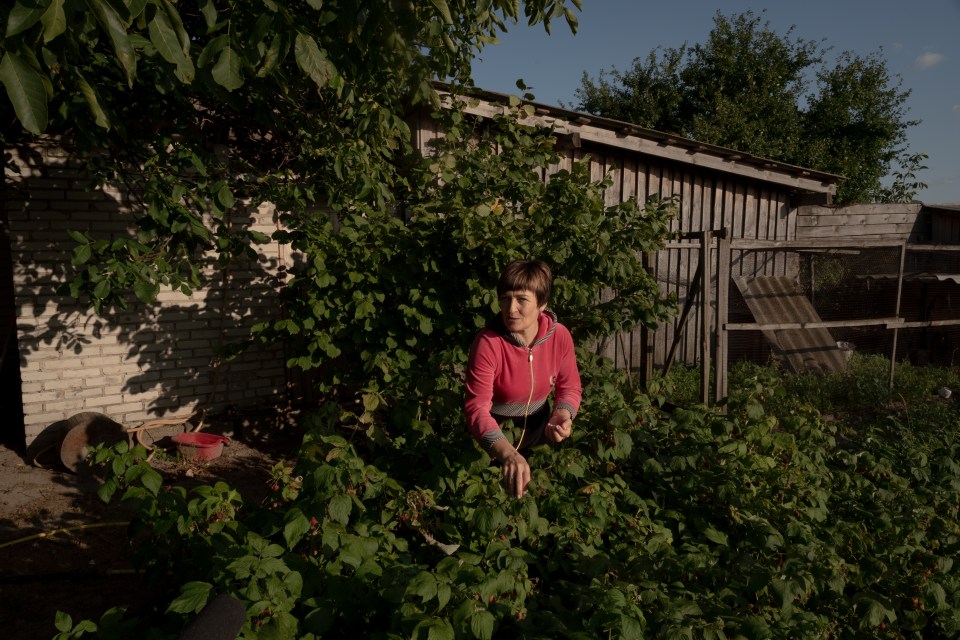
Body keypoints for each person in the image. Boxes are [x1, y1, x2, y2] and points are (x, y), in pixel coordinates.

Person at [464, 259, 582, 498]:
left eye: (521, 299)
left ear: (542, 303)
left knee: (539, 504)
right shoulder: (488, 344)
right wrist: (506, 453)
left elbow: (569, 386)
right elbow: (476, 408)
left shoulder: (559, 336)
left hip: (541, 431)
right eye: (505, 298)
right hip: (496, 436)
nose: (511, 309)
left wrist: (563, 413)